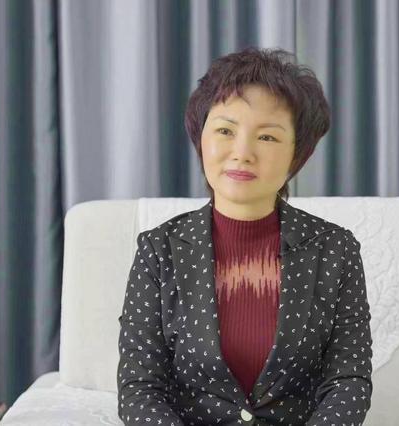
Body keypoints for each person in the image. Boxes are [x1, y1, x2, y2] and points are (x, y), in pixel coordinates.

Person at [117, 46, 373, 425]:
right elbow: (140, 389)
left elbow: (348, 381)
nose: (242, 153)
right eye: (225, 130)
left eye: (267, 138)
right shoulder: (159, 250)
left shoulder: (335, 250)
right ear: (201, 139)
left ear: (296, 155)